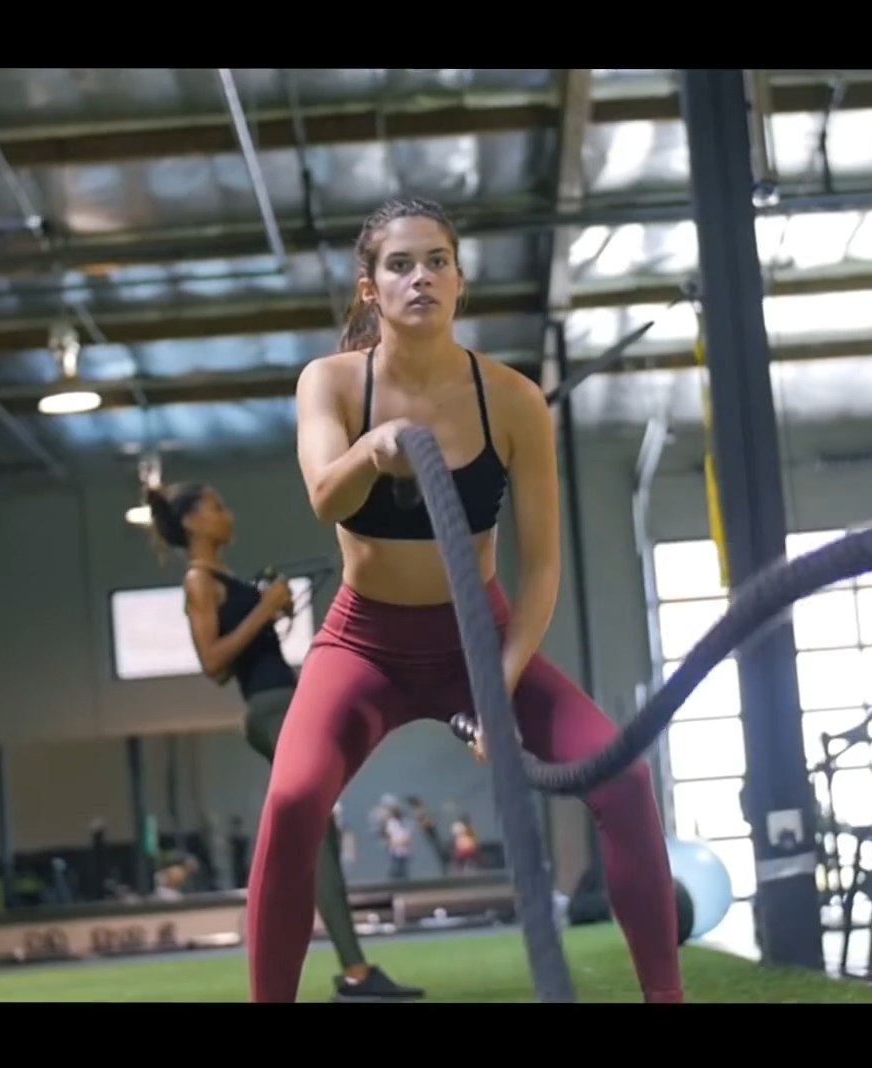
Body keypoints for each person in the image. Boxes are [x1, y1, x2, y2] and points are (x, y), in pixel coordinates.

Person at [246, 195, 684, 1004]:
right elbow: (324, 499)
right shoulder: (331, 383)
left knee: (623, 780)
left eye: (437, 261)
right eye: (400, 264)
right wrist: (374, 451)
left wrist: (497, 682)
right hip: (363, 648)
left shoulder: (511, 398)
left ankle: (668, 997)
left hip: (481, 642)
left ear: (459, 280)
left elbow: (541, 568)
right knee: (295, 799)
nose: (421, 277)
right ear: (371, 288)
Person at [147, 480, 423, 1002]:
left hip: (291, 703)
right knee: (314, 831)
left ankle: (355, 972)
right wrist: (265, 607)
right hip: (269, 709)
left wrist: (271, 610)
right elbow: (213, 664)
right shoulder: (198, 581)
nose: (228, 513)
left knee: (321, 831)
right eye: (216, 506)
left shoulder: (225, 578)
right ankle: (354, 974)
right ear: (191, 522)